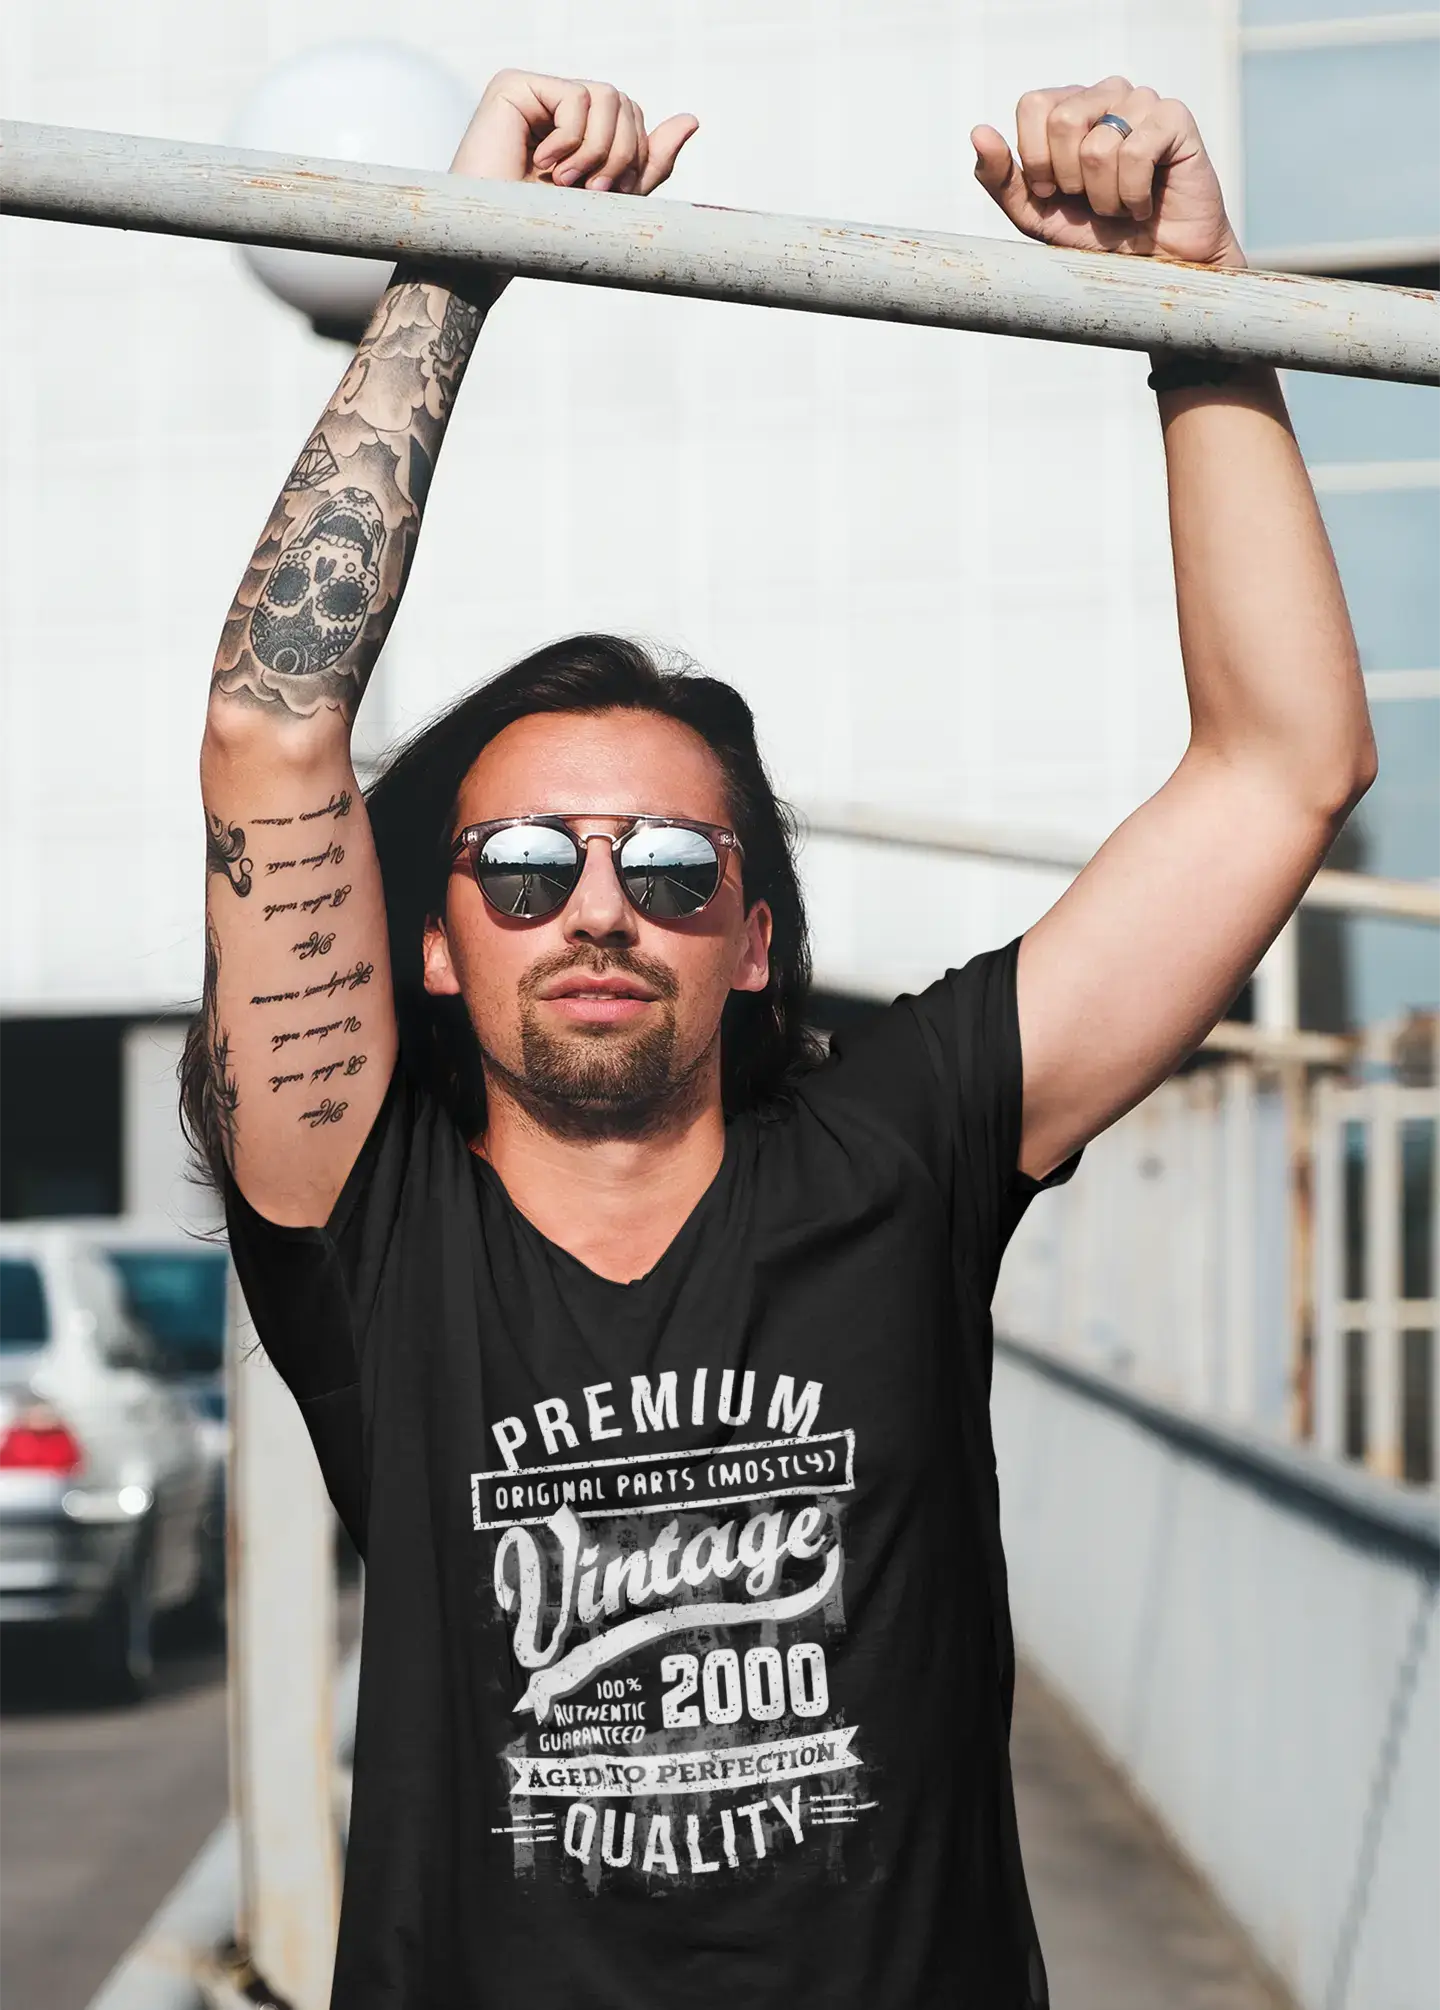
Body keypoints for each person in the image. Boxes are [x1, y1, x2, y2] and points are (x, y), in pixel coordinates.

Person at [185, 64, 1373, 2010]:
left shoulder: (898, 1153)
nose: (596, 906)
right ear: (432, 945)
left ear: (751, 941)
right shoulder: (374, 1231)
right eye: (523, 864)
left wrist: (1196, 303)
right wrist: (459, 257)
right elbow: (271, 728)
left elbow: (1283, 767)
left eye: (669, 863)